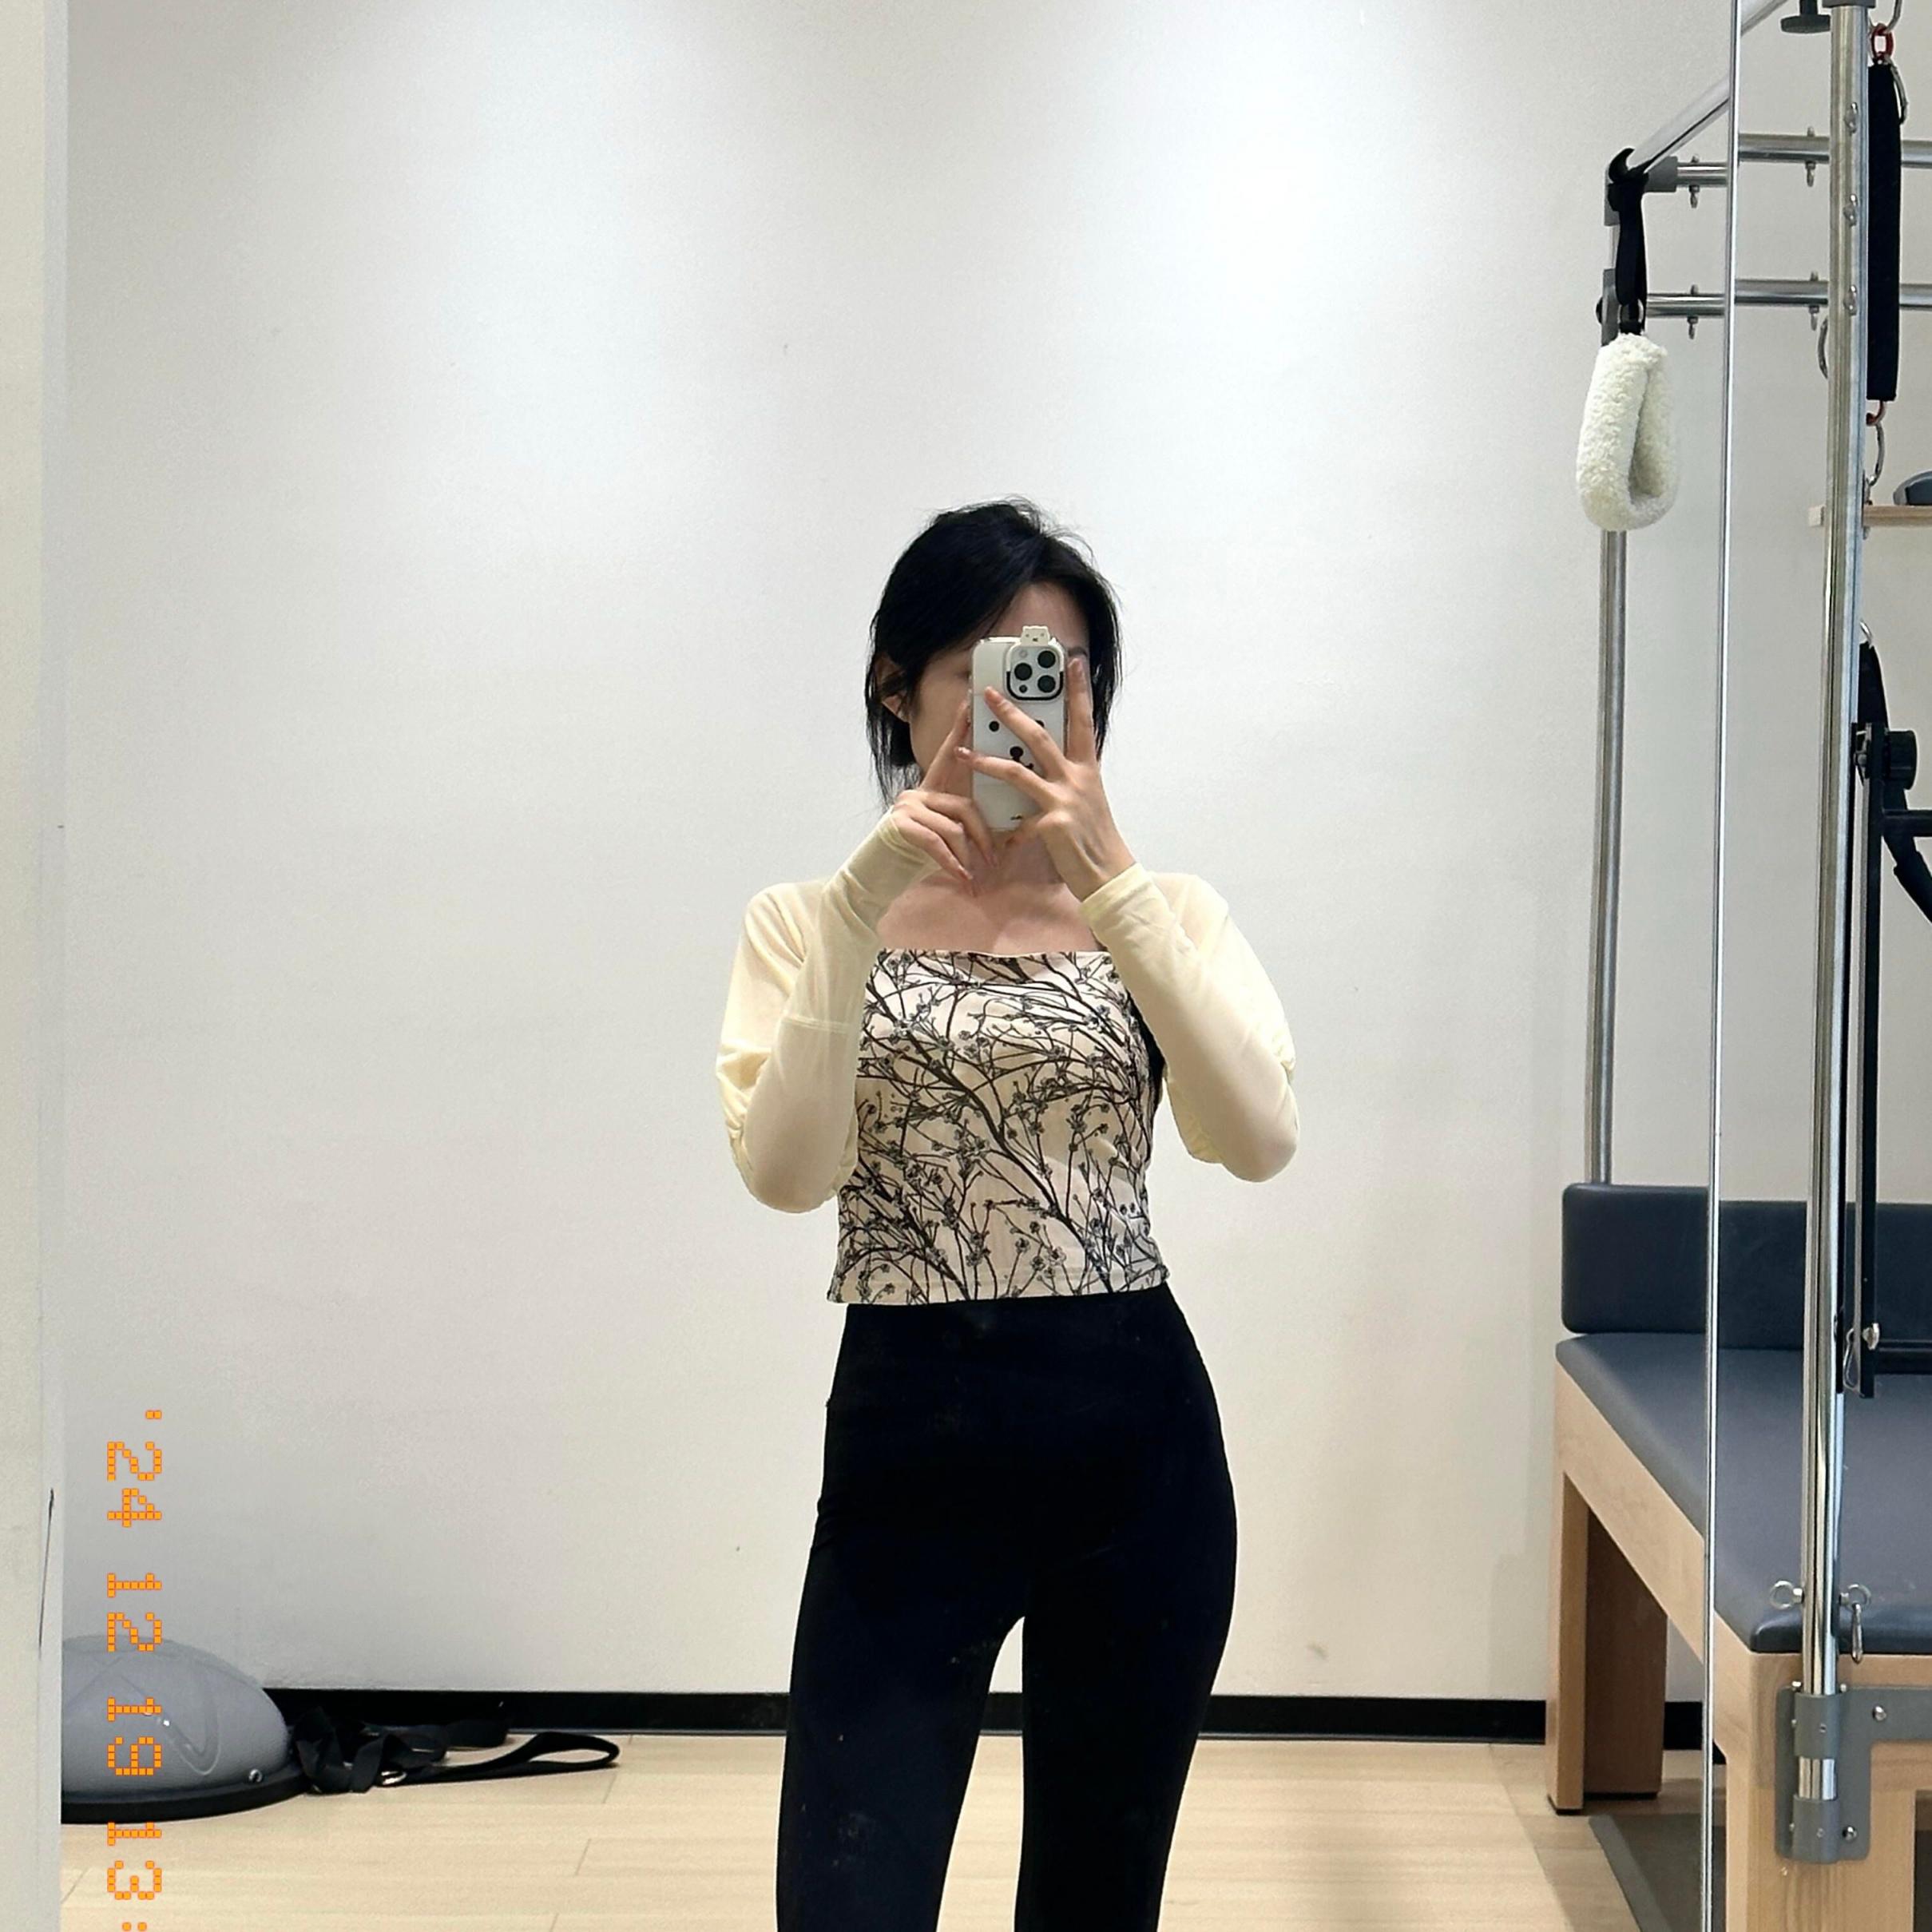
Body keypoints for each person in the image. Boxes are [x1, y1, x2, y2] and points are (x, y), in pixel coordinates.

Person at [715, 496, 1299, 1931]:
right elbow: (788, 1172)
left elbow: (1255, 1138)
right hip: (908, 1450)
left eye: (1062, 675)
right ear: (897, 685)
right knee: (848, 1901)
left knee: (1096, 1906)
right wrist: (858, 914)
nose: (1026, 708)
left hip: (1137, 1455)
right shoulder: (805, 920)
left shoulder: (1165, 912)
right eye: (992, 668)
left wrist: (1113, 880)